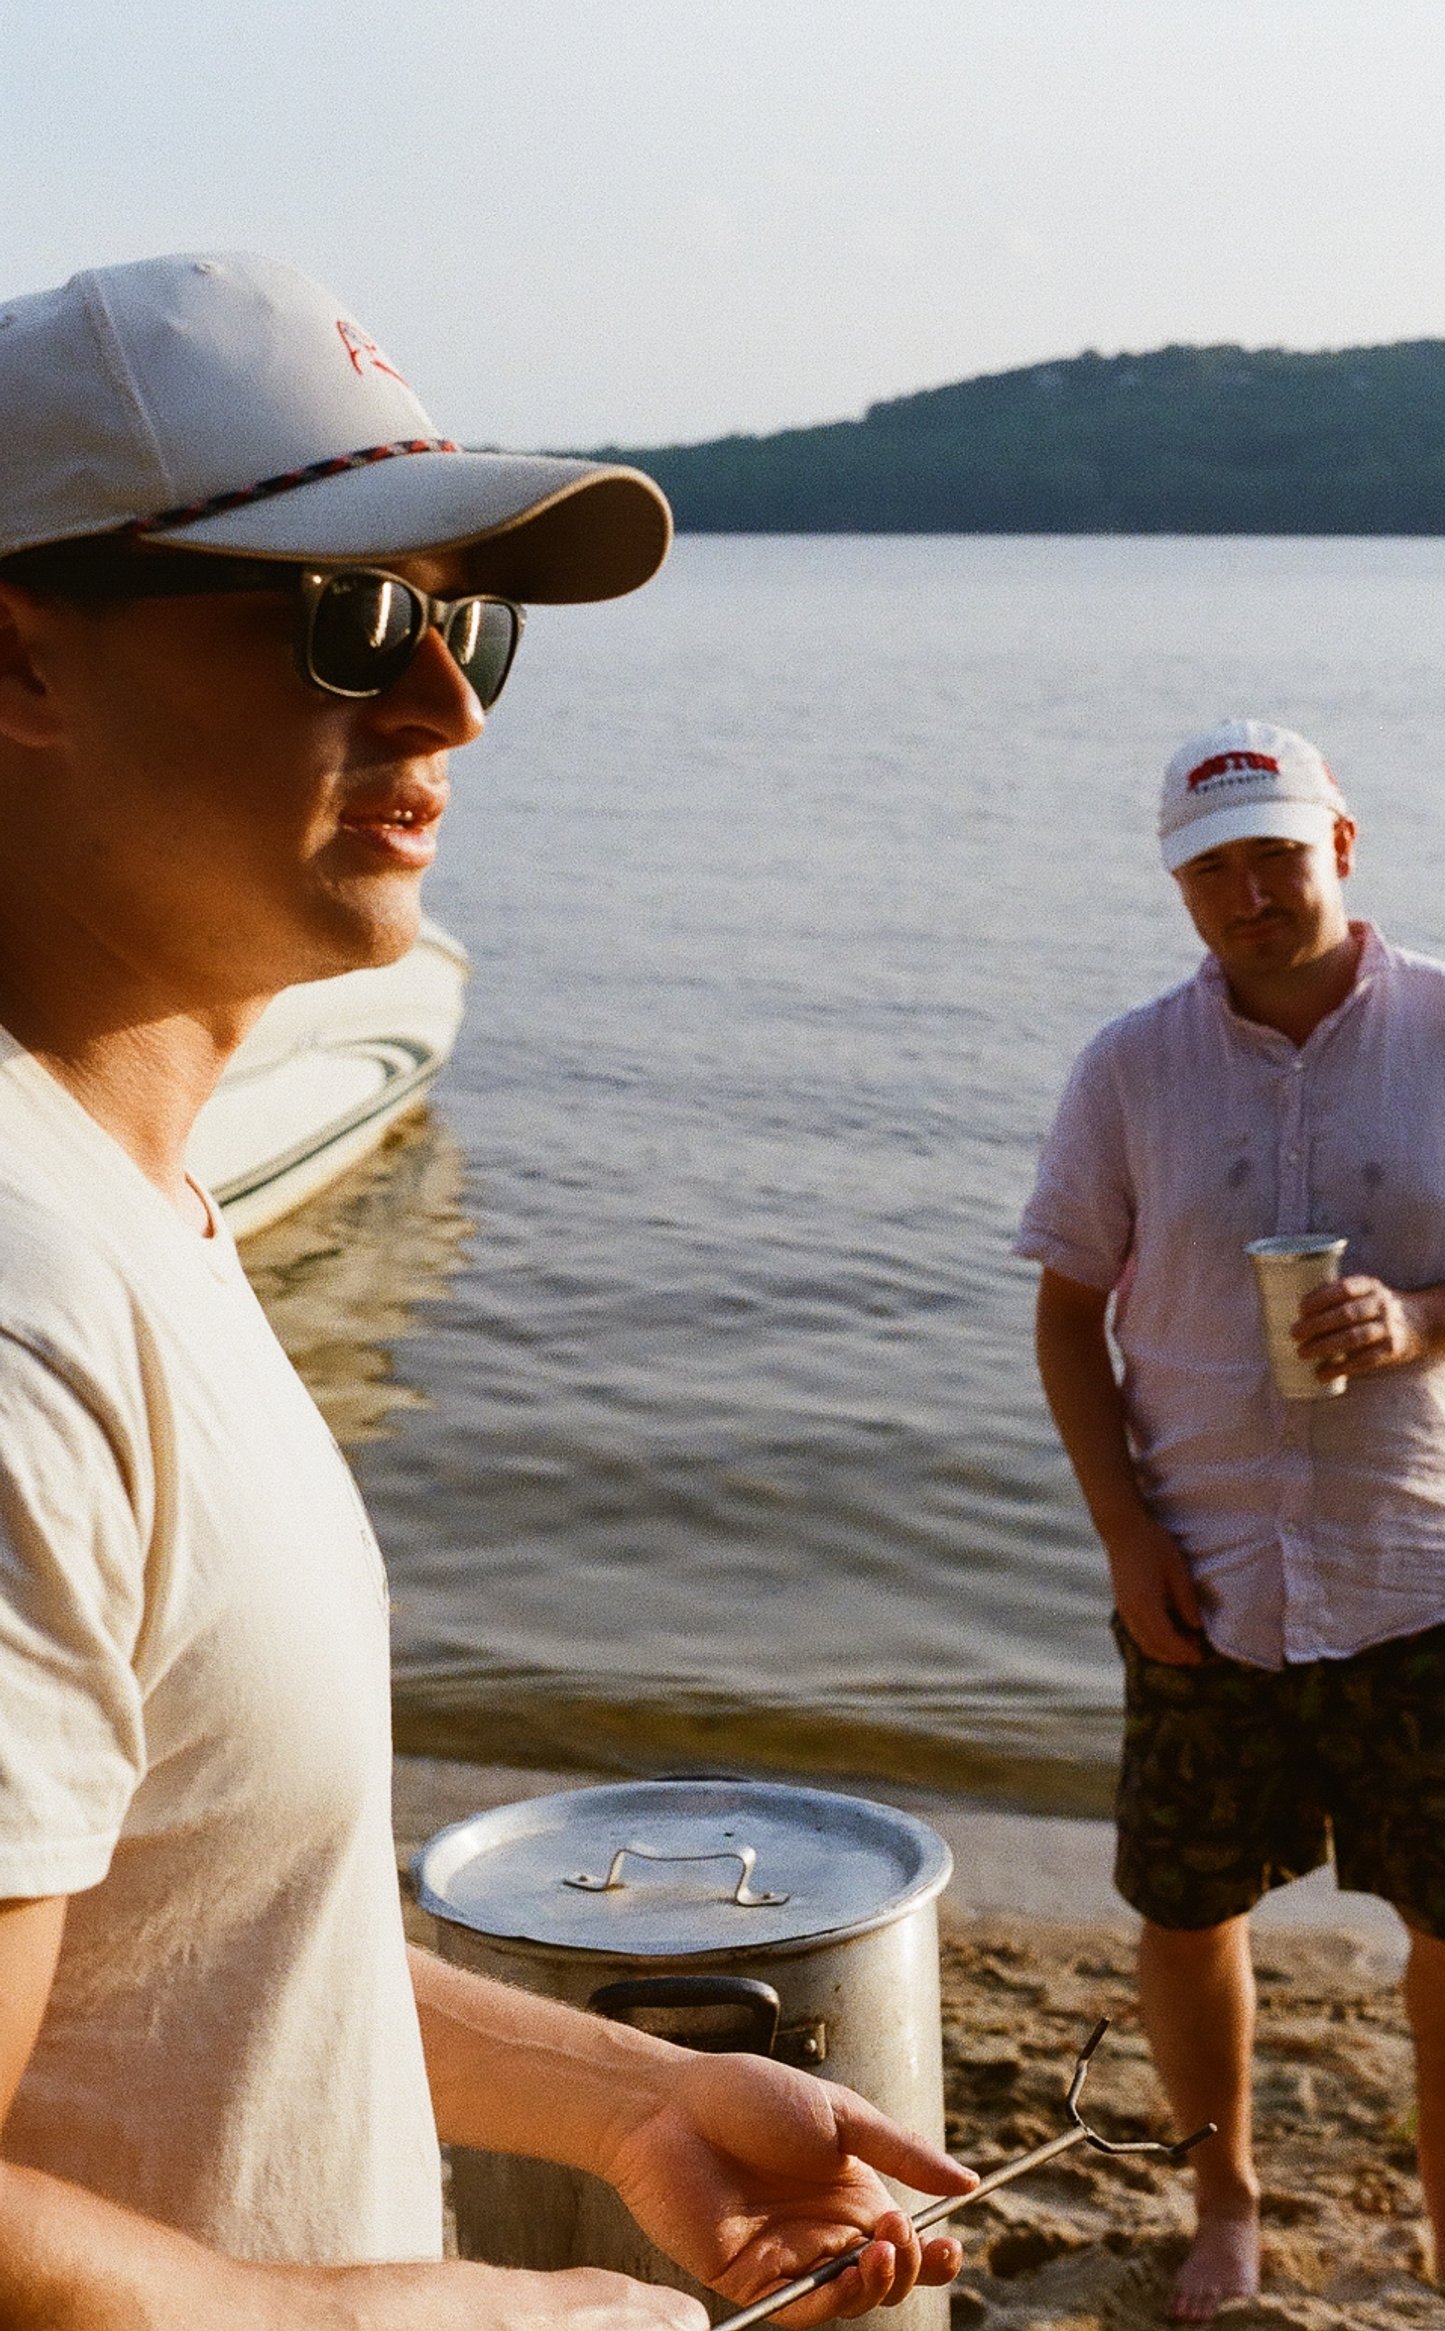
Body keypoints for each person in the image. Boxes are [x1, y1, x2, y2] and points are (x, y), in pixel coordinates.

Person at [0, 251, 975, 2329]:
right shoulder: (22, 1301)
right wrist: (400, 2310)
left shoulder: (124, 1206)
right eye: (348, 620)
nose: (440, 700)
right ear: (17, 658)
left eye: (467, 623)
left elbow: (184, 1932)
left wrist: (619, 2097)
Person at [1016, 717, 1445, 2322]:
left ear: (1342, 847)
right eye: (1212, 869)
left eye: (1275, 857)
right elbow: (1065, 1317)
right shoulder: (1128, 1070)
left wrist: (1423, 1320)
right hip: (1205, 1571)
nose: (1248, 893)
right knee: (1185, 1915)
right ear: (1180, 886)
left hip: (1429, 1568)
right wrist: (1125, 1539)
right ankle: (1221, 2195)